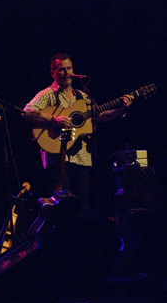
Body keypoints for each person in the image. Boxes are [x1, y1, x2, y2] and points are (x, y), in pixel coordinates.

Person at [23, 53, 134, 207]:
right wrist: (55, 120)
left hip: (81, 158)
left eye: (69, 68)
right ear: (53, 73)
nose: (67, 73)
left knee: (82, 206)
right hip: (57, 158)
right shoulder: (46, 94)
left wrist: (120, 110)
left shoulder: (82, 96)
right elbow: (27, 112)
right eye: (62, 69)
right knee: (61, 207)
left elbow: (99, 116)